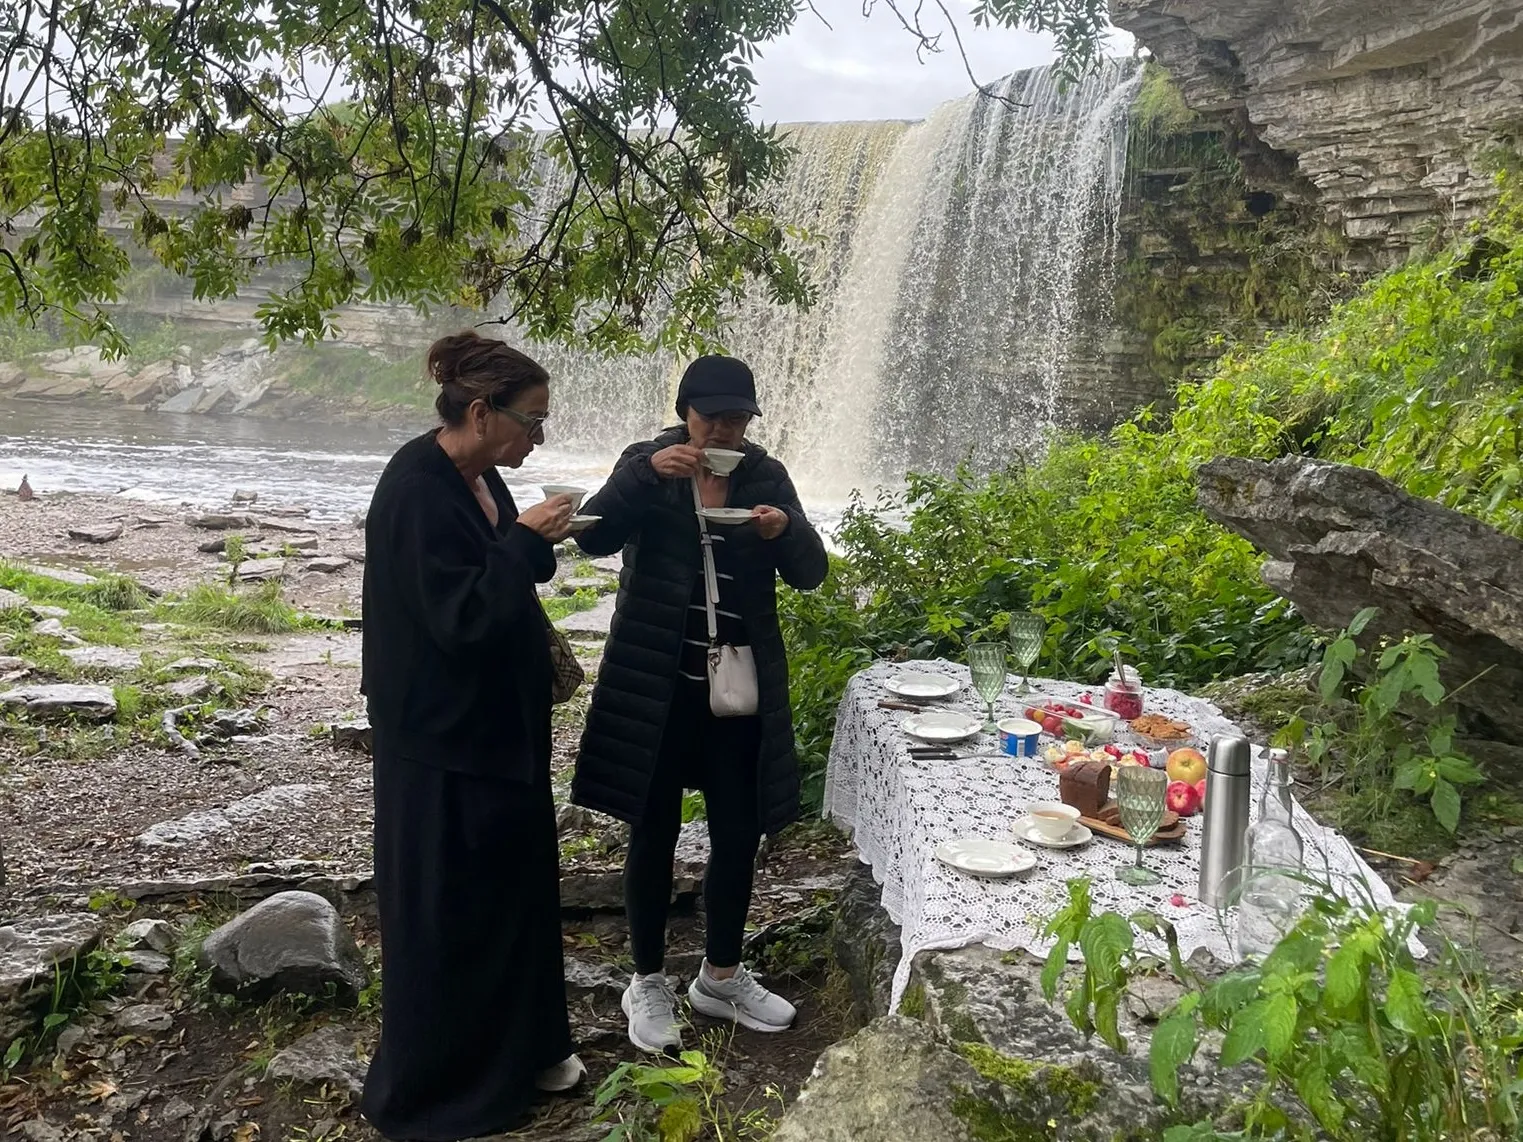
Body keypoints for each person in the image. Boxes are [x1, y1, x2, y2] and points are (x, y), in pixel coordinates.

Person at [359, 330, 583, 1140]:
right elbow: (459, 618)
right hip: (440, 743)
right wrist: (525, 540)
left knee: (513, 897)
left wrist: (535, 539)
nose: (537, 439)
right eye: (531, 422)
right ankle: (441, 1091)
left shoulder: (478, 471)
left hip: (496, 732)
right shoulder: (418, 490)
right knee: (450, 912)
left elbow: (499, 571)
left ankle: (525, 1049)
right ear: (481, 412)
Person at [571, 354, 827, 1055]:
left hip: (736, 691)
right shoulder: (647, 466)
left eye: (737, 418)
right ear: (685, 413)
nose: (726, 428)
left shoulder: (764, 476)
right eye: (713, 416)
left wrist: (785, 532)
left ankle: (720, 976)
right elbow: (591, 538)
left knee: (738, 832)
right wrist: (642, 476)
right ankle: (646, 980)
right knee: (650, 831)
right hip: (653, 684)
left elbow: (810, 573)